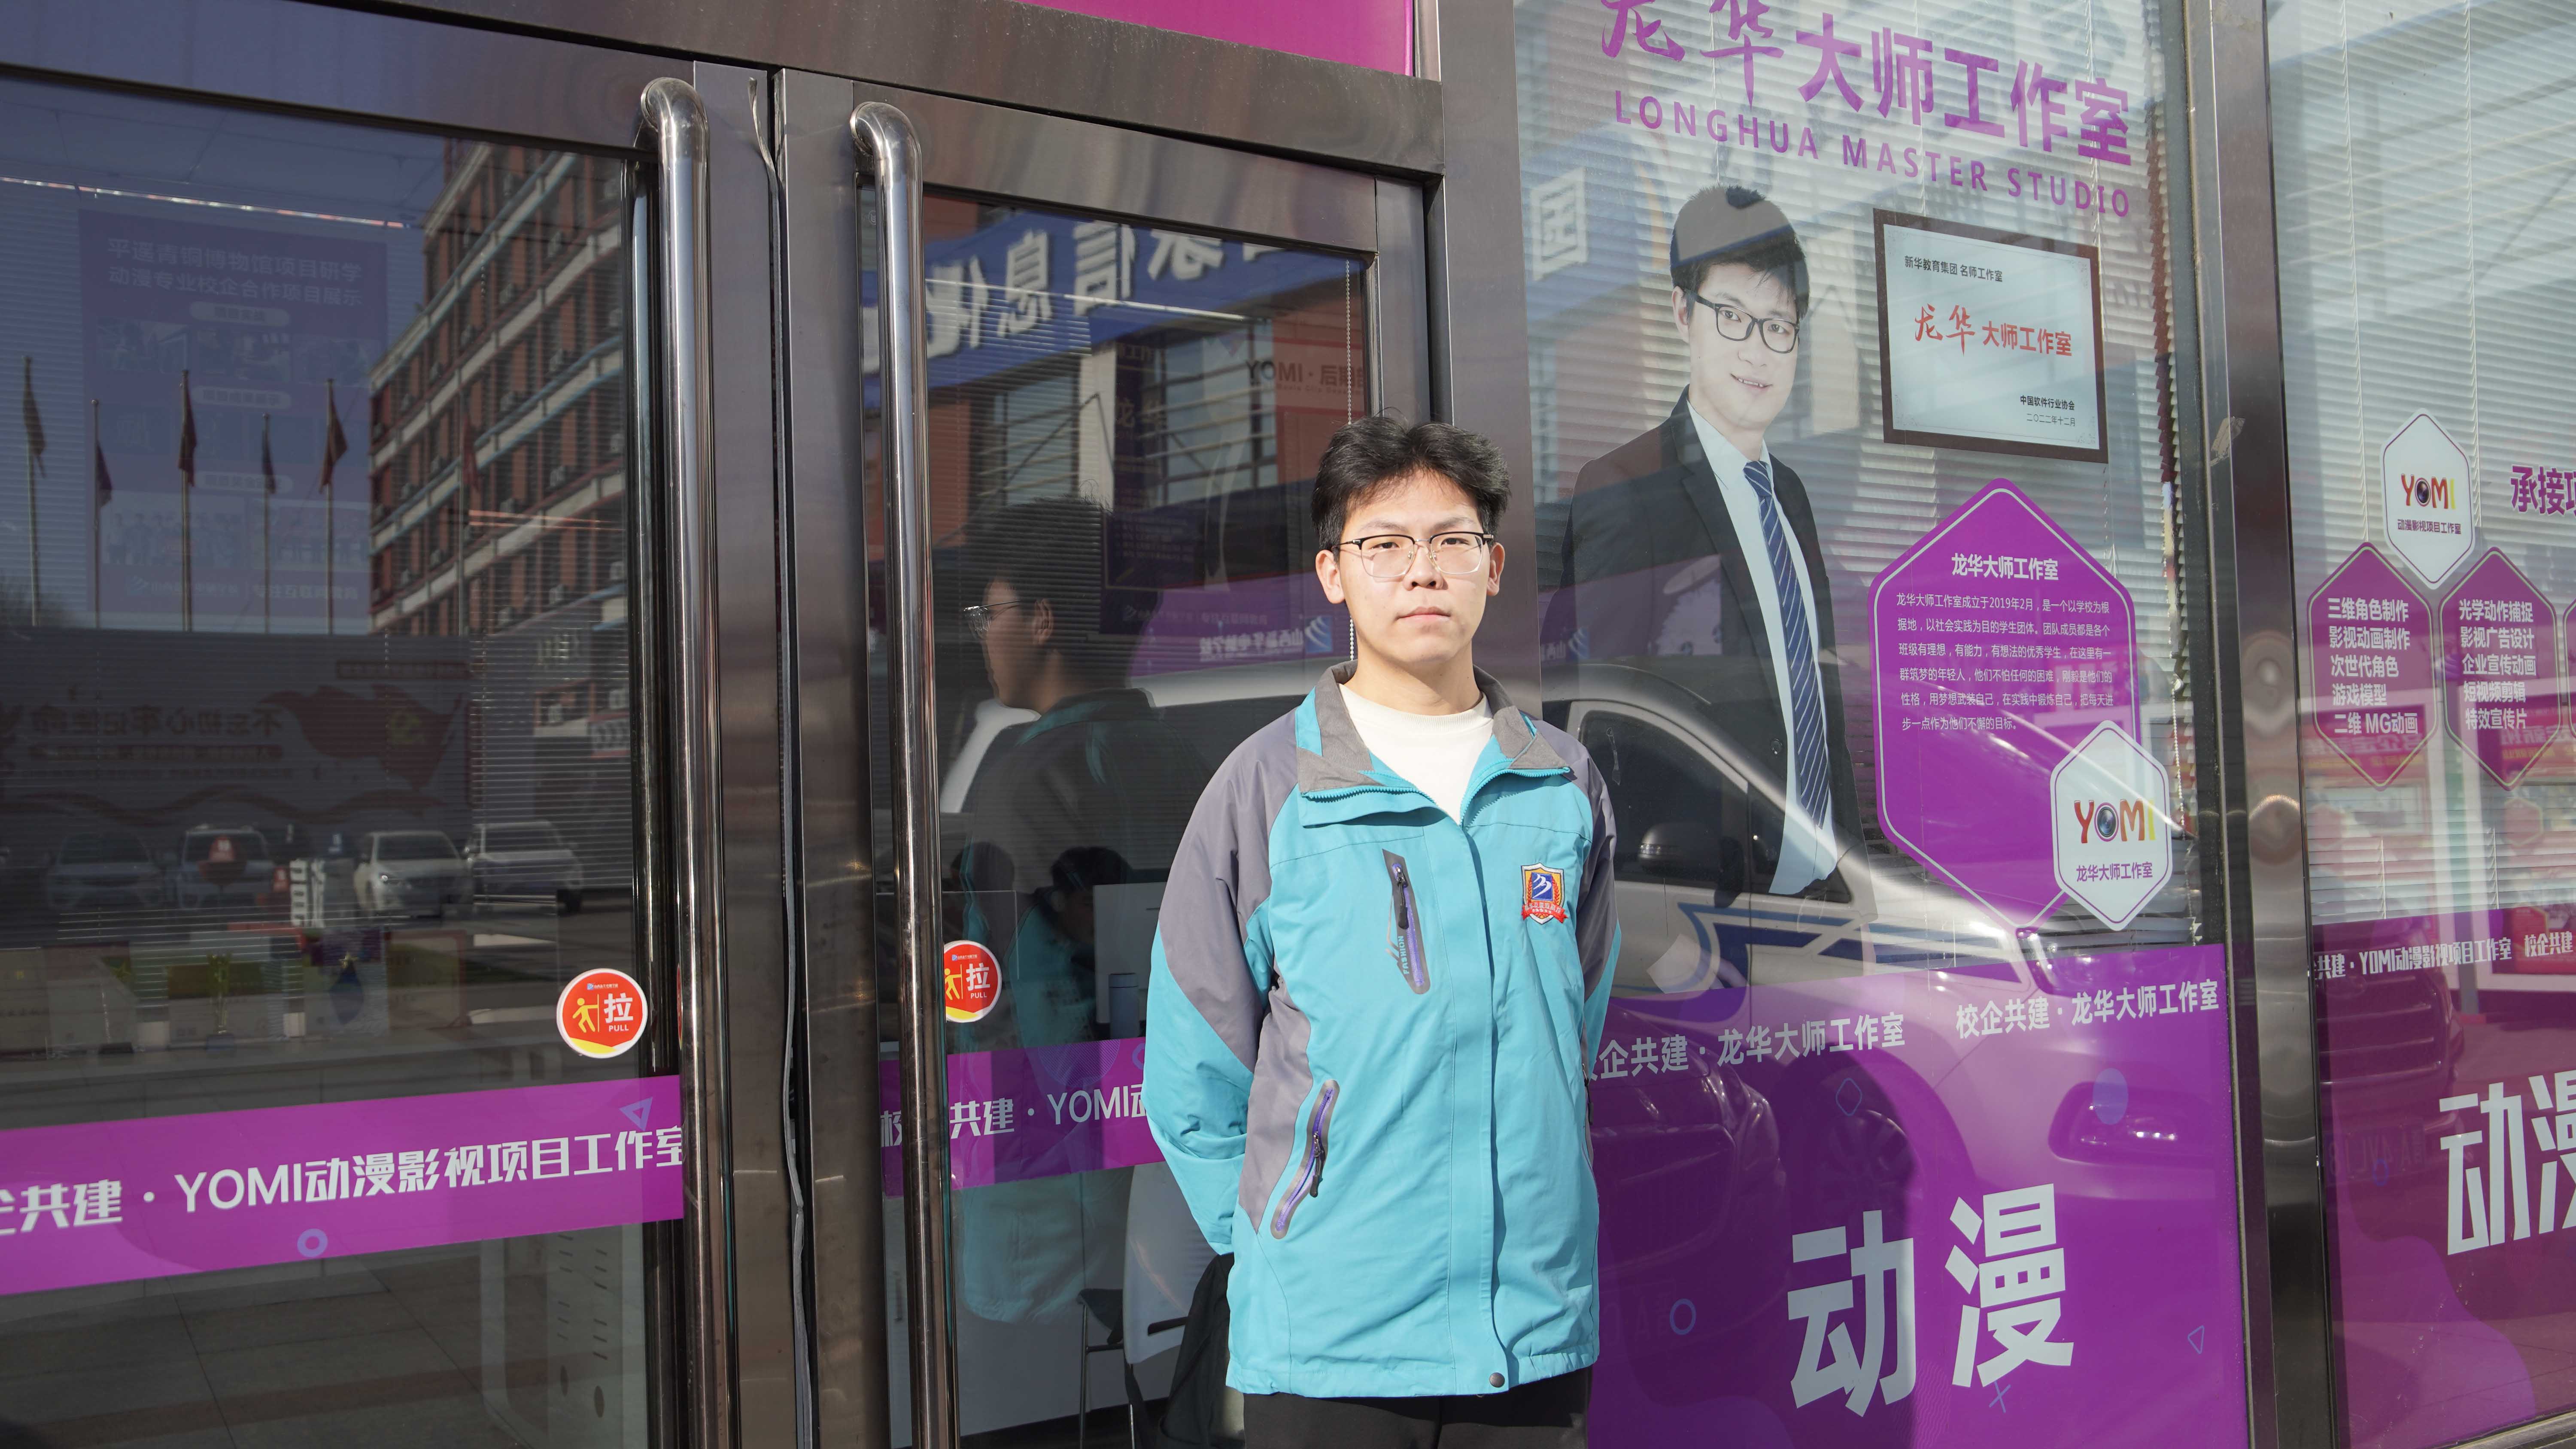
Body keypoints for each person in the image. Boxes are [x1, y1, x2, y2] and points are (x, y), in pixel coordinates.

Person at [1145, 416, 1619, 1448]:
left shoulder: (1560, 782)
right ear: (1333, 573)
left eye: (1453, 540)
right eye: (1385, 543)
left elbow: (1572, 1023)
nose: (1423, 570)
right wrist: (1282, 1240)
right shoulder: (1266, 789)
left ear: (1494, 566)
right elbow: (1194, 1070)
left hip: (1528, 1322)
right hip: (1332, 1336)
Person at [1550, 186, 1858, 901]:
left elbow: (1819, 705)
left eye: (1778, 326)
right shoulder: (1628, 486)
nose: (1758, 351)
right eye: (1733, 318)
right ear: (1684, 313)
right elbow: (1605, 725)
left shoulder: (1791, 495)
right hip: (1703, 902)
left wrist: (1853, 874)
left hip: (1824, 898)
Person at [951, 495, 1210, 1325]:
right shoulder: (1185, 762)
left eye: (989, 613)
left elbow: (1030, 1003)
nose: (981, 634)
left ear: (1043, 621)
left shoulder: (1023, 778)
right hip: (1174, 1165)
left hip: (1050, 1213)